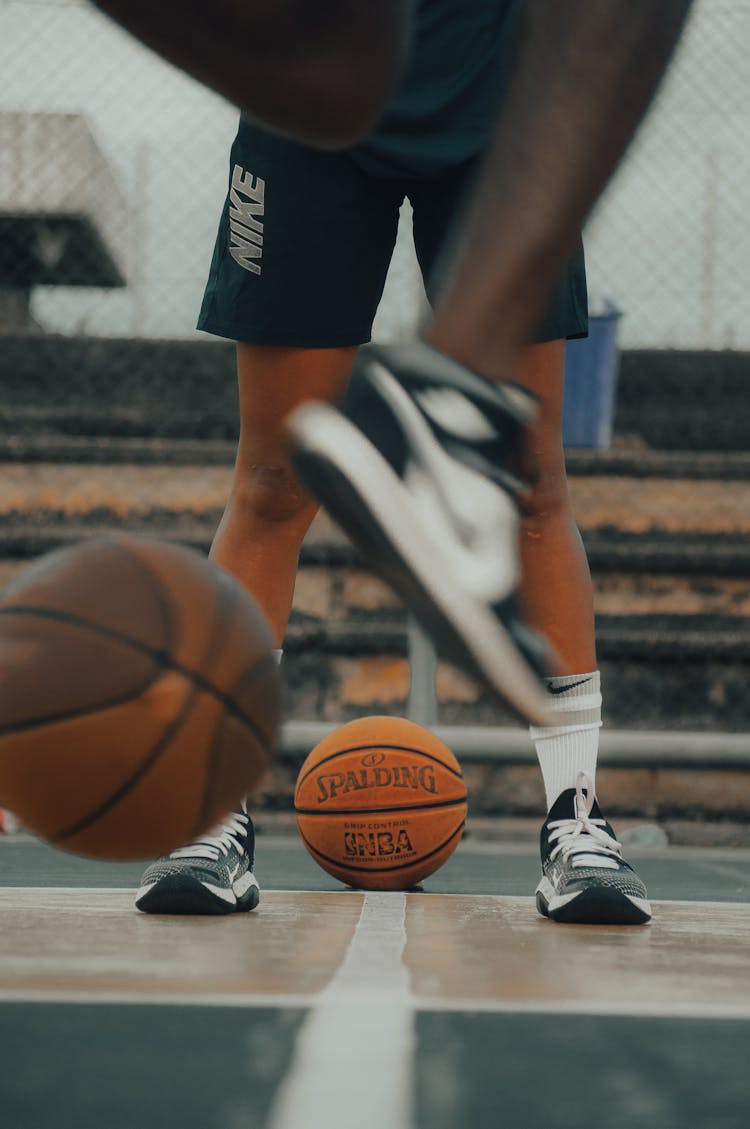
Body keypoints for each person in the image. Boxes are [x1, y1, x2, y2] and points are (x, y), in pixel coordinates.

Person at [128, 0, 685, 925]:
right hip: (307, 76)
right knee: (273, 478)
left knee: (529, 479)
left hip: (502, 84)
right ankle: (215, 809)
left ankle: (576, 817)